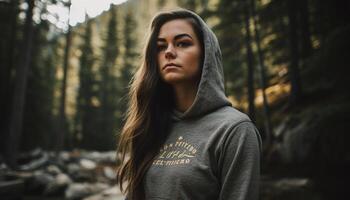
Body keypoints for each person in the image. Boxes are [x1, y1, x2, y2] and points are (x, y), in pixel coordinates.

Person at [117, 8, 262, 200]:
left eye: (183, 43)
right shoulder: (151, 124)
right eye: (160, 46)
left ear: (206, 54)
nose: (169, 52)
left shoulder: (235, 130)